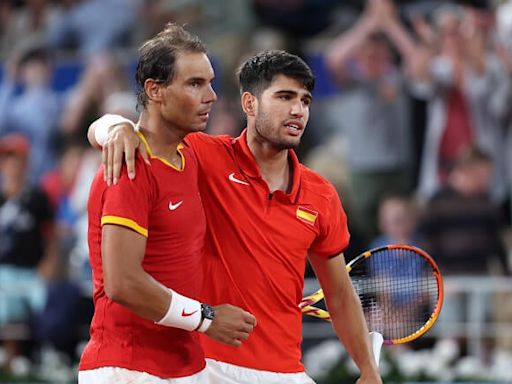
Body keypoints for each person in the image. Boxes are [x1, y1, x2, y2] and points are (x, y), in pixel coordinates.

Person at [90, 50, 381, 383]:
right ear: (249, 104)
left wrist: (368, 370)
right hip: (208, 367)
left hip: (287, 371)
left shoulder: (322, 195)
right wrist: (116, 128)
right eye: (284, 97)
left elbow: (340, 294)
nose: (298, 110)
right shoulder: (203, 155)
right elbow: (126, 130)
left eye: (305, 100)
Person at [78, 24, 256, 384]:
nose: (211, 96)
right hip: (128, 368)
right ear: (154, 90)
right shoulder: (130, 167)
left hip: (184, 363)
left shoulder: (190, 155)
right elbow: (123, 283)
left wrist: (110, 125)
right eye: (194, 84)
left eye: (210, 82)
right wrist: (207, 318)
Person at [0, 133, 57, 372]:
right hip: (3, 270)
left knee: (44, 305)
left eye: (18, 159)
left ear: (26, 163)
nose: (13, 165)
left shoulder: (37, 198)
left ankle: (41, 355)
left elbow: (51, 235)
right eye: (8, 159)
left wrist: (48, 264)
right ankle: (10, 354)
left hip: (31, 271)